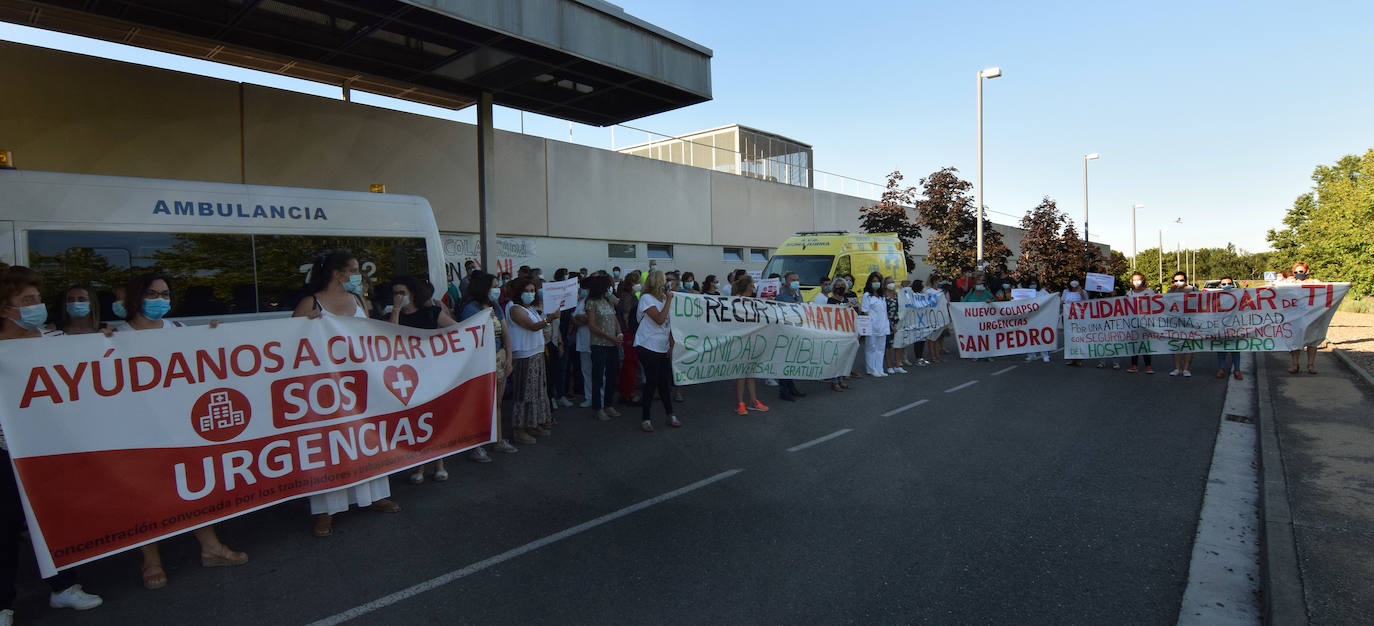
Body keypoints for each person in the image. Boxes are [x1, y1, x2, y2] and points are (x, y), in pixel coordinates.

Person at [119, 272, 250, 584]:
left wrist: (212, 336)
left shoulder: (177, 329)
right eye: (153, 294)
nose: (160, 300)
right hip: (137, 429)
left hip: (179, 423)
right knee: (144, 492)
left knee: (190, 484)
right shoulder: (116, 335)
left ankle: (211, 548)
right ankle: (150, 561)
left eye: (165, 294)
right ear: (137, 297)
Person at [0, 267, 104, 618]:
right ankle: (3, 603)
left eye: (38, 300)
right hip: (5, 454)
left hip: (49, 449)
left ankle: (64, 587)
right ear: (5, 309)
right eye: (27, 301)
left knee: (54, 518)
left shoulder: (54, 343)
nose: (37, 306)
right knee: (5, 527)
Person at [292, 253, 401, 538]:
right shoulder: (310, 303)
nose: (358, 275)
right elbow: (287, 345)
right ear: (336, 274)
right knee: (330, 443)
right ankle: (325, 511)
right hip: (324, 389)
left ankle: (374, 495)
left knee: (366, 438)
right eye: (352, 270)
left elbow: (371, 337)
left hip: (359, 385)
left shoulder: (360, 302)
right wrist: (305, 326)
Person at [386, 276, 464, 477]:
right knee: (415, 421)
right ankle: (419, 465)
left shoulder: (432, 313)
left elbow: (457, 330)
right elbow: (389, 336)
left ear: (412, 294)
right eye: (395, 293)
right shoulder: (395, 316)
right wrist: (395, 309)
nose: (398, 297)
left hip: (431, 373)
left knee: (434, 418)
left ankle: (439, 464)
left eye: (402, 293)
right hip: (407, 377)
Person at [458, 272, 519, 461]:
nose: (497, 289)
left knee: (497, 403)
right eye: (494, 285)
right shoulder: (470, 309)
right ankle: (475, 445)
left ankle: (498, 439)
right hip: (480, 363)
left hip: (498, 359)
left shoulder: (495, 306)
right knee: (479, 404)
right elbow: (469, 337)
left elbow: (505, 333)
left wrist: (509, 357)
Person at [504, 277, 559, 443]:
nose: (530, 294)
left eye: (532, 290)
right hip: (524, 355)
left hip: (536, 353)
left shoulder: (530, 308)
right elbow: (532, 326)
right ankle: (519, 428)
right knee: (524, 392)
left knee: (536, 391)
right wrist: (549, 319)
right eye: (526, 291)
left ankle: (532, 422)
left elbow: (535, 328)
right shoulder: (514, 308)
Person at [635, 270, 680, 430]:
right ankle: (646, 418)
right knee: (652, 381)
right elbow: (660, 319)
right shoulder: (646, 299)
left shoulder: (664, 299)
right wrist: (668, 300)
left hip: (662, 347)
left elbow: (670, 325)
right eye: (665, 280)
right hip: (648, 345)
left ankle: (670, 414)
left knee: (664, 382)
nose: (667, 283)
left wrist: (671, 344)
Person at [582, 275, 623, 421]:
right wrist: (610, 337)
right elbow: (592, 326)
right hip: (599, 344)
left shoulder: (608, 300)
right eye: (607, 286)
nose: (609, 289)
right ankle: (598, 408)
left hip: (613, 344)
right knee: (598, 376)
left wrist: (619, 333)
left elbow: (615, 318)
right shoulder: (591, 303)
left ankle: (608, 404)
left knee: (612, 374)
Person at [729, 275, 771, 413]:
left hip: (753, 341)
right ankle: (740, 403)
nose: (754, 286)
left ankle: (753, 401)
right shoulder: (736, 301)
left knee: (750, 373)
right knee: (741, 373)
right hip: (741, 341)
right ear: (747, 286)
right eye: (753, 283)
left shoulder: (754, 302)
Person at [773, 273, 807, 401]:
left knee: (791, 361)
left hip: (796, 333)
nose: (796, 282)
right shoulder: (780, 297)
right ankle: (784, 391)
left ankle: (791, 387)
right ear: (786, 282)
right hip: (785, 334)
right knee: (784, 361)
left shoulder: (799, 295)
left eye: (797, 280)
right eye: (793, 280)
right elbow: (777, 315)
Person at [1287, 262, 1321, 374]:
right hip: (1295, 315)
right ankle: (1295, 365)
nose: (1298, 274)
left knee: (1312, 341)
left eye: (1301, 271)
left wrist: (1345, 286)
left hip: (1312, 315)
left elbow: (1329, 288)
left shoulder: (1314, 282)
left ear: (1307, 271)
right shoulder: (1291, 283)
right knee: (1295, 341)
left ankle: (1311, 365)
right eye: (1295, 272)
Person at [616, 271, 643, 405]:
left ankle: (625, 391)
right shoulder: (627, 297)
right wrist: (631, 333)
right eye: (637, 282)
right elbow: (627, 317)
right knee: (630, 364)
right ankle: (629, 393)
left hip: (630, 332)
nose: (639, 285)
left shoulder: (629, 295)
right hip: (629, 333)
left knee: (630, 364)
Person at [1124, 272, 1156, 373]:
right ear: (1131, 281)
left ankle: (1148, 365)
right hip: (1133, 322)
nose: (1137, 282)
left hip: (1146, 321)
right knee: (1134, 343)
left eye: (1139, 279)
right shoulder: (1129, 294)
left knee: (1146, 344)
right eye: (1134, 280)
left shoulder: (1150, 292)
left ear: (1143, 280)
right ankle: (1134, 365)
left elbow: (1156, 304)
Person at [1213, 276, 1244, 379]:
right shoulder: (1215, 296)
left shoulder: (1239, 295)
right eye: (1224, 284)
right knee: (1221, 348)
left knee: (1235, 348)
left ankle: (1237, 370)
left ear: (1233, 284)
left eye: (1229, 283)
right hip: (1221, 325)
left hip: (1235, 325)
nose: (1227, 285)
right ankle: (1221, 369)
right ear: (1220, 285)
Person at [825, 279, 853, 391]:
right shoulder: (830, 301)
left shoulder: (846, 299)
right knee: (835, 357)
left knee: (843, 357)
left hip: (845, 332)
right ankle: (834, 381)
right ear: (834, 287)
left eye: (842, 285)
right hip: (835, 332)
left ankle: (841, 380)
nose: (840, 287)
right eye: (838, 285)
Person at [860, 271, 889, 376]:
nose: (876, 283)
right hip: (872, 327)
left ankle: (879, 369)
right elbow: (864, 311)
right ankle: (871, 369)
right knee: (871, 348)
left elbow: (884, 312)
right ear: (870, 283)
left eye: (878, 281)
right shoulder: (867, 296)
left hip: (882, 326)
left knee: (881, 349)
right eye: (874, 281)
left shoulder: (882, 296)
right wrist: (868, 325)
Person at [1167, 271, 1195, 377]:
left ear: (1186, 281)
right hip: (1175, 322)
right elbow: (1164, 303)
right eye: (1176, 280)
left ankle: (1186, 369)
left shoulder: (1193, 290)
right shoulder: (1171, 291)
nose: (1179, 282)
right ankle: (1177, 368)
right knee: (1176, 345)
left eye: (1181, 280)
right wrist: (1171, 292)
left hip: (1190, 321)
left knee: (1189, 345)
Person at [882, 278, 907, 374]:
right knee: (888, 346)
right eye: (889, 282)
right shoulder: (884, 296)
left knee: (898, 344)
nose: (891, 284)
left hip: (899, 322)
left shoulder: (897, 295)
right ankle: (889, 366)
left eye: (892, 282)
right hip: (888, 322)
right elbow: (885, 311)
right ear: (885, 285)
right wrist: (891, 325)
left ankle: (898, 365)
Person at [1062, 280, 1088, 366]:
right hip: (1068, 318)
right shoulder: (1066, 292)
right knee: (1070, 338)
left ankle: (1079, 359)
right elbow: (1062, 303)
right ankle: (1071, 358)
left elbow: (1087, 303)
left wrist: (1081, 293)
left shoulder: (1083, 292)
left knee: (1079, 338)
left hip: (1079, 319)